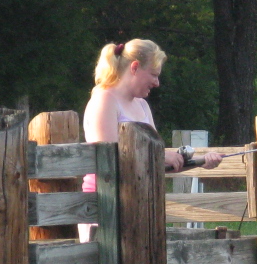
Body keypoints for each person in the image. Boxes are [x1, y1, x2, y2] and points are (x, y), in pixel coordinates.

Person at [80, 38, 223, 243]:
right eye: (154, 75)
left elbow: (156, 162)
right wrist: (162, 155)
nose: (157, 83)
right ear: (135, 68)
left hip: (141, 200)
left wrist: (202, 161)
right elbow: (109, 158)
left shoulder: (142, 106)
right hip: (105, 203)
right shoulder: (104, 99)